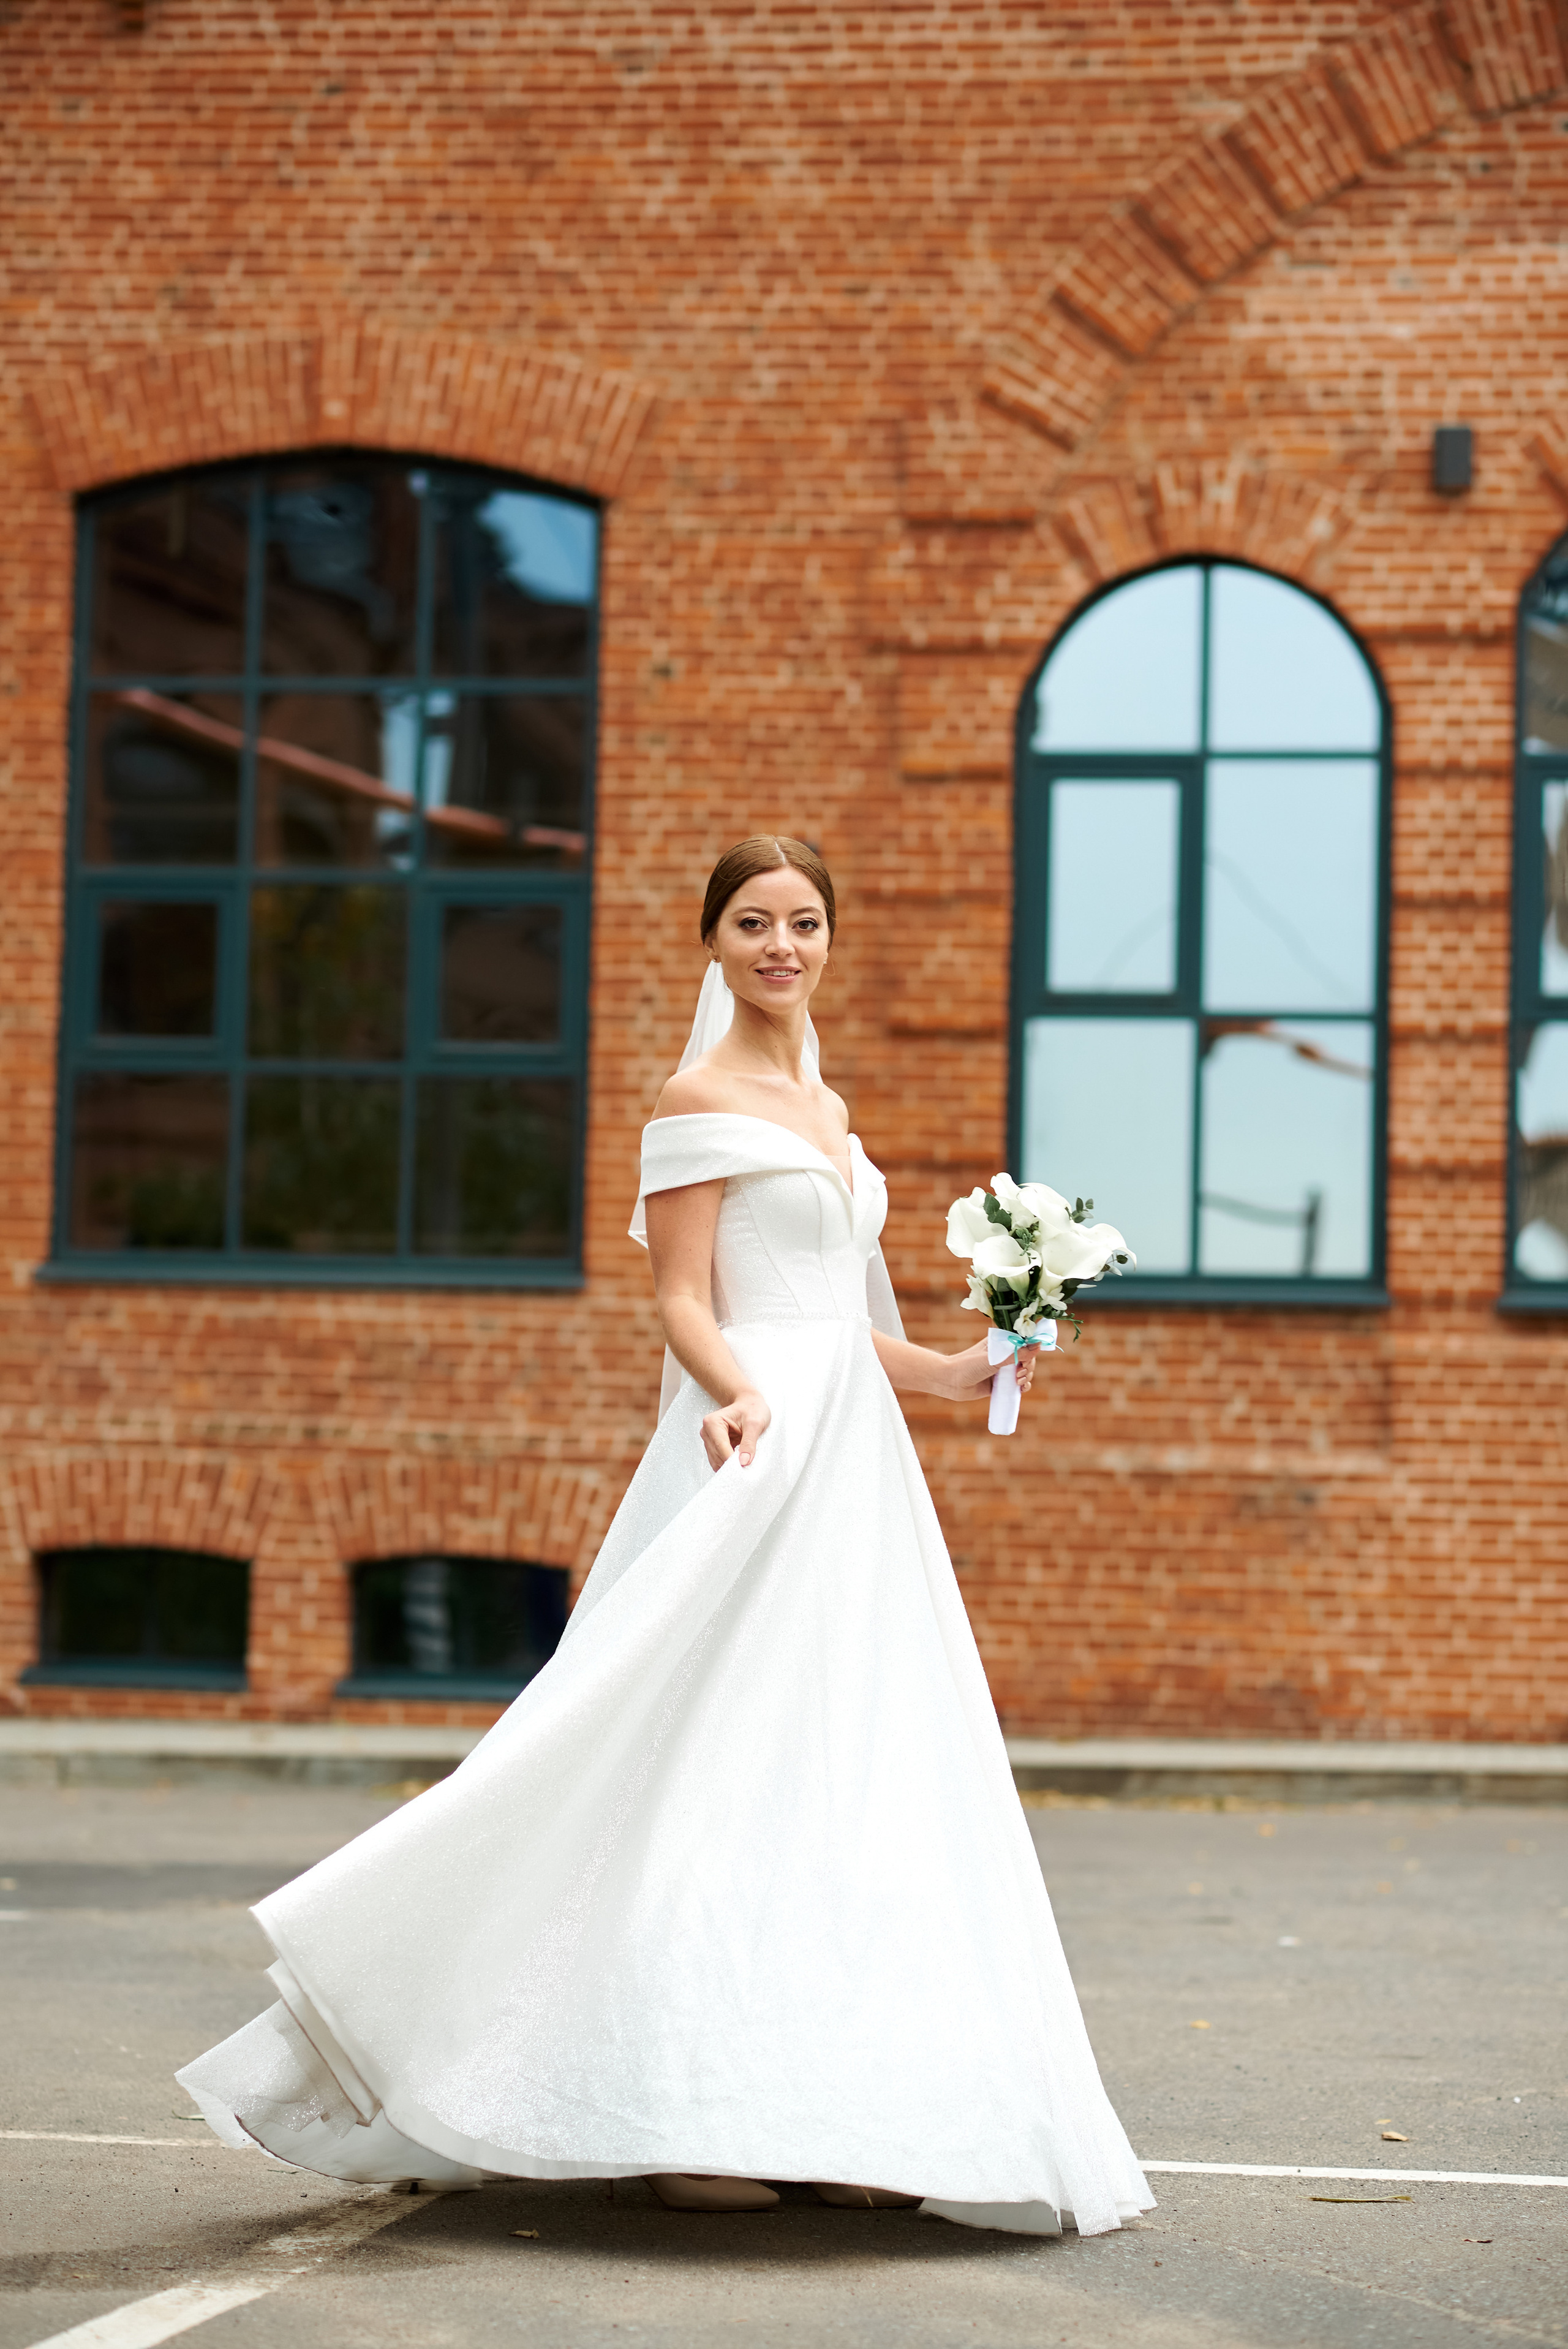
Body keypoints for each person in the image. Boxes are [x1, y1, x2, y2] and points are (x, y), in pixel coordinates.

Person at [177, 834, 1153, 2239]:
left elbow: (841, 1313)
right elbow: (688, 1300)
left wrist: (957, 1367)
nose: (780, 946)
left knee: (850, 1765)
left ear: (828, 940)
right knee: (706, 1751)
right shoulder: (693, 1101)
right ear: (711, 943)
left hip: (858, 1470)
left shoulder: (829, 1107)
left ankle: (836, 2110)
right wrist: (741, 1395)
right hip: (751, 1445)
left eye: (803, 922)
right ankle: (674, 2105)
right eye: (752, 922)